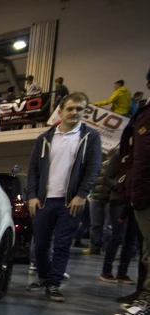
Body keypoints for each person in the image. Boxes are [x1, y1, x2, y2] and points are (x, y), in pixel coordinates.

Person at [26, 93, 102, 301]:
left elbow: (93, 169)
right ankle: (43, 276)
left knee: (62, 244)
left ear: (84, 112)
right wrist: (32, 195)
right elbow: (33, 169)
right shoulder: (45, 138)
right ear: (60, 111)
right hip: (43, 201)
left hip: (70, 203)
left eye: (79, 109)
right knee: (40, 244)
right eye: (70, 109)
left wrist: (81, 195)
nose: (74, 113)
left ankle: (53, 284)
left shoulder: (90, 137)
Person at [112, 68, 150, 315]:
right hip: (142, 193)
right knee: (147, 251)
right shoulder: (144, 113)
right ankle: (144, 296)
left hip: (146, 191)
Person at [100, 152, 137, 283]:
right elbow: (107, 179)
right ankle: (106, 271)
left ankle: (122, 273)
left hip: (136, 202)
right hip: (119, 201)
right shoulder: (119, 155)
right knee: (117, 236)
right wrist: (122, 188)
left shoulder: (143, 154)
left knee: (131, 239)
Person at [83, 148, 118, 255]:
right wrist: (90, 195)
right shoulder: (100, 166)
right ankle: (94, 247)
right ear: (109, 157)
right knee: (95, 226)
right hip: (96, 199)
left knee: (108, 227)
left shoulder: (120, 168)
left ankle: (106, 248)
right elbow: (92, 180)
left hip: (110, 200)